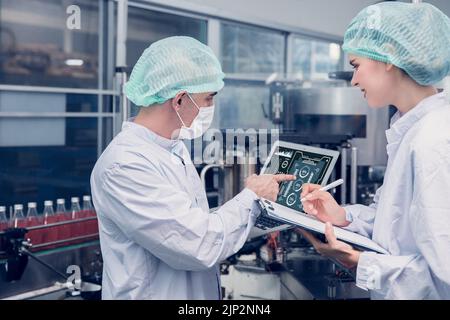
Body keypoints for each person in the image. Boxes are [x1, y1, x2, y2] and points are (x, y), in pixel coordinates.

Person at [90, 36, 295, 299]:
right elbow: (199, 245)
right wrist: (252, 197)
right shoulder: (124, 166)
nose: (211, 107)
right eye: (209, 98)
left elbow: (193, 224)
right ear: (179, 101)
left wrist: (279, 215)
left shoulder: (173, 147)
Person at [296, 2, 450, 299]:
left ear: (388, 57)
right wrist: (341, 216)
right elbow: (394, 223)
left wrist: (358, 263)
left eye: (356, 65)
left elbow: (443, 279)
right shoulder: (411, 130)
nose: (353, 80)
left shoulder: (434, 142)